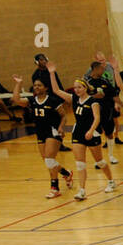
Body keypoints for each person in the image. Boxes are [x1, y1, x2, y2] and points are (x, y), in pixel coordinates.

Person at [47, 65, 111, 201]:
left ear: (85, 88)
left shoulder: (93, 102)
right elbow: (56, 90)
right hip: (78, 133)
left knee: (100, 162)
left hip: (92, 133)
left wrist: (91, 130)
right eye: (75, 88)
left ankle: (111, 181)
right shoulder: (73, 99)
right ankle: (82, 191)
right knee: (80, 164)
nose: (76, 90)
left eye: (79, 87)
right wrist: (52, 73)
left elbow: (97, 118)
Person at [10, 72, 73, 197]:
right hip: (40, 132)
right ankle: (66, 173)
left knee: (49, 159)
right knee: (48, 161)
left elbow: (64, 115)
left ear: (46, 88)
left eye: (39, 85)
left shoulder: (53, 100)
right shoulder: (32, 101)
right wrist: (18, 84)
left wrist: (61, 128)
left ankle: (55, 188)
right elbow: (16, 100)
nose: (36, 87)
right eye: (35, 85)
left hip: (53, 131)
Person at [85, 56, 122, 168]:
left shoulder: (105, 81)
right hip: (93, 113)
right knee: (95, 135)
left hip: (107, 111)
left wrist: (122, 106)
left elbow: (113, 95)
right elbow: (83, 96)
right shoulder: (87, 83)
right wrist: (94, 96)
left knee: (109, 133)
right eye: (101, 69)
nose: (103, 71)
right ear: (95, 69)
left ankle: (111, 155)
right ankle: (98, 160)